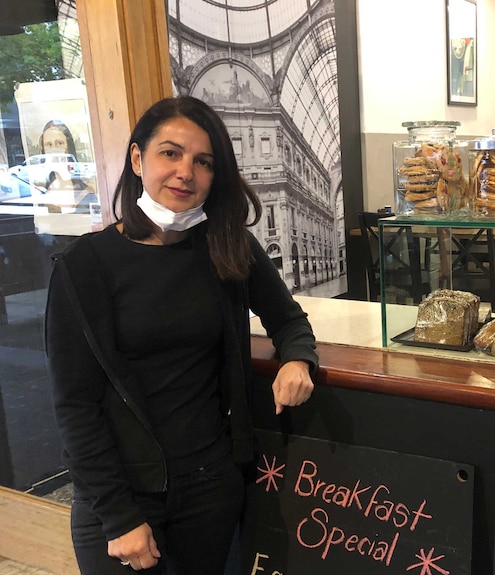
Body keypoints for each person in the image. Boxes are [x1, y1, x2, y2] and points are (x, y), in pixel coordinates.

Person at [45, 96, 319, 574]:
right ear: (137, 159)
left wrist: (297, 359)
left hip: (209, 488)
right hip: (122, 497)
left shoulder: (226, 245)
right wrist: (120, 517)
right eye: (169, 153)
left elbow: (288, 319)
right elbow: (75, 406)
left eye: (203, 161)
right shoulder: (83, 267)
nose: (185, 172)